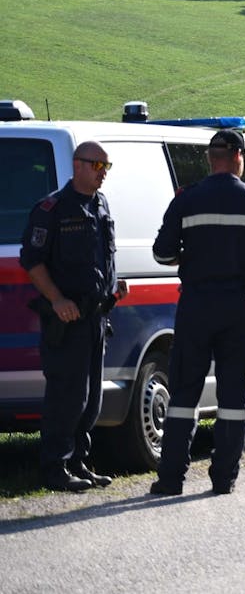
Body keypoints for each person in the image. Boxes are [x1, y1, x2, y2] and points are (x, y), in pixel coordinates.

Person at [149, 129, 245, 495]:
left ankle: (171, 478)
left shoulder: (187, 199)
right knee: (233, 398)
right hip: (239, 307)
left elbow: (161, 253)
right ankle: (224, 479)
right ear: (239, 156)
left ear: (211, 158)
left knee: (183, 394)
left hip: (195, 306)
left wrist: (192, 256)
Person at [21, 141, 122, 492]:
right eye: (98, 167)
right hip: (66, 320)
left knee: (91, 398)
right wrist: (57, 299)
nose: (102, 174)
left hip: (96, 318)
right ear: (78, 165)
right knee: (67, 396)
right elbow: (32, 261)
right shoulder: (52, 209)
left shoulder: (101, 205)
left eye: (106, 168)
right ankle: (55, 467)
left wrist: (113, 285)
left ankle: (79, 461)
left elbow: (102, 256)